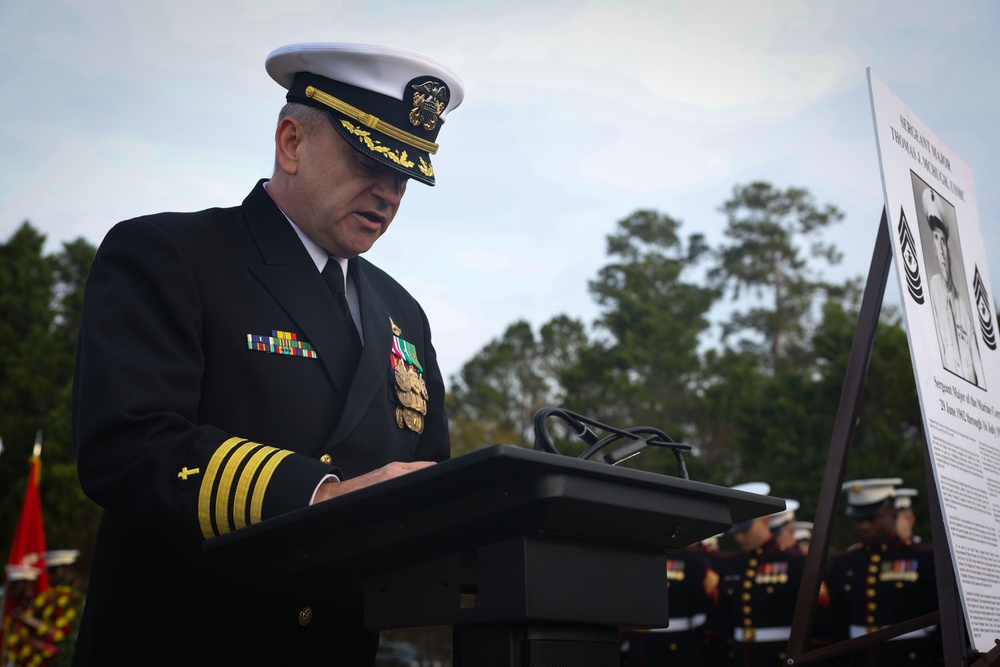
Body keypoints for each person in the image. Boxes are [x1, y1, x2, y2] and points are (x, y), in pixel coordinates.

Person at [71, 42, 463, 665]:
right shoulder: (171, 254)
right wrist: (320, 497)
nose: (389, 192)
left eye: (405, 174)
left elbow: (424, 483)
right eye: (370, 159)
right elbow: (125, 446)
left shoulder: (403, 314)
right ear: (290, 142)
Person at [826, 479, 941, 666]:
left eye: (872, 518)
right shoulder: (844, 562)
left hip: (910, 658)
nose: (864, 526)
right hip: (859, 658)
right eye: (858, 519)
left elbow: (942, 618)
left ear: (893, 514)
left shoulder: (923, 558)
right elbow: (838, 621)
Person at [712, 483, 807, 667]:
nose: (739, 538)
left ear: (764, 520)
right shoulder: (731, 565)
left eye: (745, 530)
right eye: (736, 531)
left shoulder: (793, 562)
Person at [622, 543, 719, 667]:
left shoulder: (689, 559)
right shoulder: (633, 555)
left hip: (676, 646)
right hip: (638, 645)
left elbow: (710, 602)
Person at [924, 187, 983, 386]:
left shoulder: (964, 311)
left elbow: (981, 373)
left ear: (948, 249)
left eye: (942, 241)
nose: (940, 250)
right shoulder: (933, 289)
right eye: (935, 240)